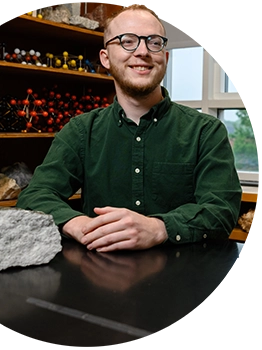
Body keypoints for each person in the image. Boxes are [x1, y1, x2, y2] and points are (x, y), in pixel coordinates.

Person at [17, 4, 242, 252]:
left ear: (164, 58)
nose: (143, 51)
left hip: (184, 282)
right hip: (97, 280)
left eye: (154, 42)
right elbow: (35, 196)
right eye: (127, 41)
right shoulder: (80, 131)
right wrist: (78, 224)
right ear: (105, 59)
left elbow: (221, 210)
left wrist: (159, 228)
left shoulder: (206, 132)